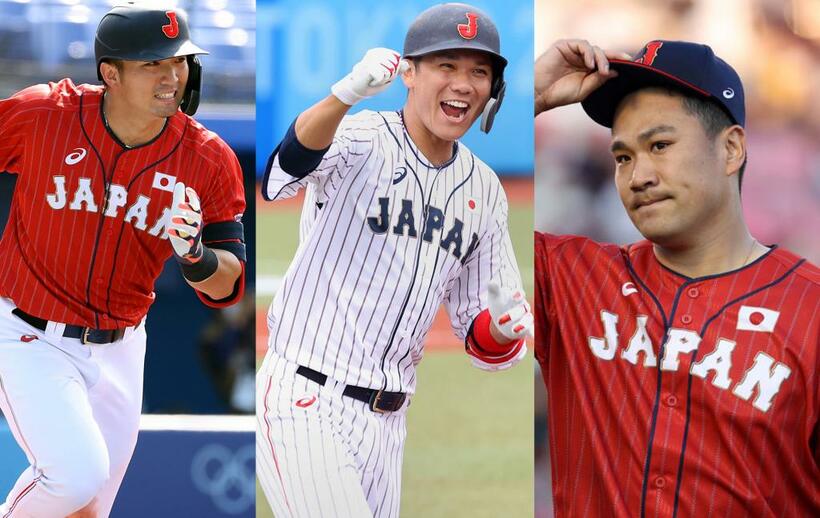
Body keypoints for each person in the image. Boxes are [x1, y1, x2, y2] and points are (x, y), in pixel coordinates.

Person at [256, 3, 533, 516]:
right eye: (446, 65)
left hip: (388, 424)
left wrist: (503, 328)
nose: (463, 83)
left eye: (479, 71)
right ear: (409, 72)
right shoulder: (362, 138)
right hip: (306, 396)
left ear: (493, 90)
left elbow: (482, 340)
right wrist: (344, 96)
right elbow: (280, 174)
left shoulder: (485, 191)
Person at [534, 39, 818, 516]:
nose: (638, 175)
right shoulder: (573, 277)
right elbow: (455, 203)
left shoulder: (810, 310)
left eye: (660, 146)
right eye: (622, 157)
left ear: (730, 149)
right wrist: (528, 98)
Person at [0, 4, 246, 517]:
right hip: (27, 332)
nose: (171, 75)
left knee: (88, 509)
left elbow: (227, 285)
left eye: (178, 62)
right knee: (73, 478)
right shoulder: (46, 113)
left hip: (121, 347)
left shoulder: (209, 158)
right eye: (152, 63)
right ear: (110, 74)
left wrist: (195, 256)